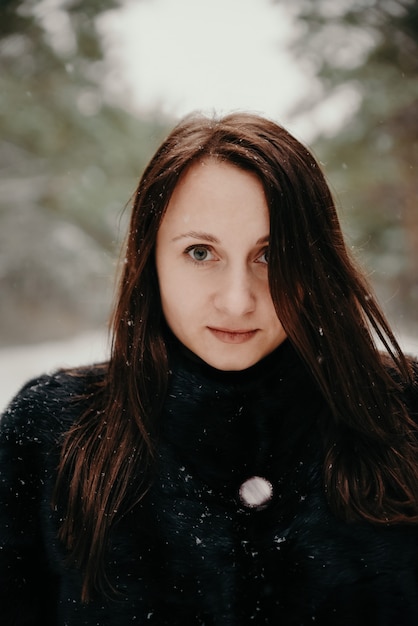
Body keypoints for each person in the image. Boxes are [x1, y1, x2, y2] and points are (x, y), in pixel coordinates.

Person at [0, 112, 417, 626]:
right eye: (201, 252)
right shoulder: (50, 430)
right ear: (149, 258)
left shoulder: (407, 413)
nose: (239, 301)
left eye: (272, 255)